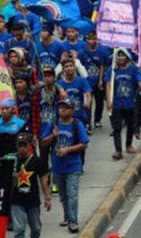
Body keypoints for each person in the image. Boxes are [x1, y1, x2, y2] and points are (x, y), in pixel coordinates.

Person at [40, 99, 89, 234]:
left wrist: (68, 150)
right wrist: (52, 136)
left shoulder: (76, 124)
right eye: (61, 107)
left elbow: (84, 143)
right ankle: (67, 216)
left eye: (66, 108)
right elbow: (43, 143)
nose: (62, 110)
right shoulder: (53, 124)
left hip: (73, 166)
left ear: (72, 110)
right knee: (63, 195)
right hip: (57, 167)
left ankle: (73, 222)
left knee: (72, 194)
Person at [104, 48, 141, 160]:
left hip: (131, 103)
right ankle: (118, 150)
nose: (121, 58)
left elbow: (140, 82)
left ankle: (128, 145)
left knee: (131, 125)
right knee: (116, 128)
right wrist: (108, 100)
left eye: (123, 55)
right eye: (119, 56)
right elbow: (108, 85)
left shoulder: (133, 69)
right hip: (116, 104)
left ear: (127, 57)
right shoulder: (112, 70)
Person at [10, 133, 50, 238]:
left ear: (30, 145)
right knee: (19, 229)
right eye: (20, 145)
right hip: (16, 200)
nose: (22, 148)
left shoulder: (37, 161)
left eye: (25, 145)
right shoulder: (12, 161)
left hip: (33, 200)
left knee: (36, 228)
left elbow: (43, 179)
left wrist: (47, 197)